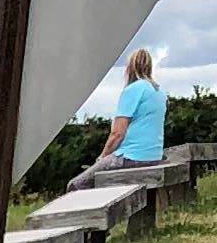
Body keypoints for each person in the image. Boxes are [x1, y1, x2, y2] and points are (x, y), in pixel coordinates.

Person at [72, 48, 168, 185]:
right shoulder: (159, 92)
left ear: (130, 67)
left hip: (131, 156)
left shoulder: (132, 90)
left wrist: (102, 157)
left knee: (76, 185)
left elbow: (117, 134)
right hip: (154, 155)